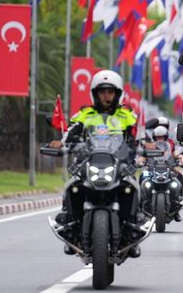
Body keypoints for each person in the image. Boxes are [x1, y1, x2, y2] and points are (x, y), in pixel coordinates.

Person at [49, 69, 145, 257]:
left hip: (119, 164)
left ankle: (134, 225)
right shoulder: (85, 115)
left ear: (117, 94)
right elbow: (70, 132)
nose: (106, 95)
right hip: (89, 162)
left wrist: (146, 144)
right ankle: (69, 224)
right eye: (102, 91)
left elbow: (140, 135)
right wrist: (62, 142)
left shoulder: (126, 116)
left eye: (110, 91)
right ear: (95, 93)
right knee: (72, 186)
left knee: (132, 186)